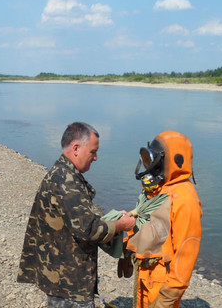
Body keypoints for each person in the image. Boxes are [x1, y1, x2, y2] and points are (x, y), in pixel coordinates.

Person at [18, 122, 136, 307]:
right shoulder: (67, 181)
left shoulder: (62, 172)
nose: (96, 158)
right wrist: (121, 225)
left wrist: (111, 217)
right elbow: (87, 230)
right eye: (93, 152)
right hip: (68, 280)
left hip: (58, 271)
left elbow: (75, 219)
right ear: (75, 148)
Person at [120, 131, 203, 308]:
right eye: (147, 160)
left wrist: (166, 299)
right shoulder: (157, 189)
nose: (149, 166)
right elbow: (148, 222)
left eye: (152, 160)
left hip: (161, 281)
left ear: (172, 161)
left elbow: (185, 255)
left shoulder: (185, 199)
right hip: (143, 273)